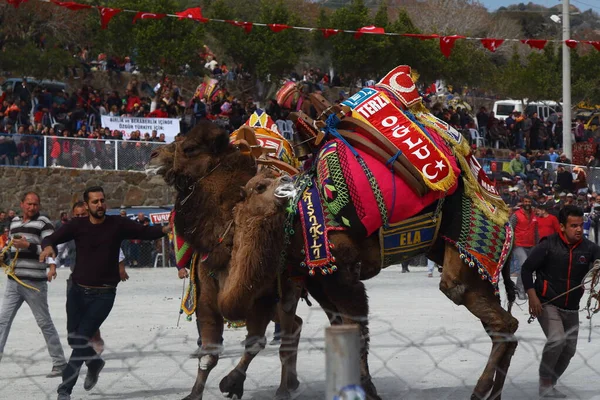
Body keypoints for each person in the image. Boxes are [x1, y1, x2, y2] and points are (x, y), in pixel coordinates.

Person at [39, 186, 169, 400]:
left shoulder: (116, 224)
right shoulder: (77, 225)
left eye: (102, 200)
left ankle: (64, 390)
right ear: (87, 205)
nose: (100, 205)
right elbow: (52, 238)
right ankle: (95, 362)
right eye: (95, 202)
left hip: (104, 294)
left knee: (80, 338)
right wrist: (47, 247)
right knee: (74, 338)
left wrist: (165, 229)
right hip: (77, 292)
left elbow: (144, 233)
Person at [521, 206, 600, 398]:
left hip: (572, 307)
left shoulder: (590, 248)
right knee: (557, 340)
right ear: (562, 227)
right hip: (547, 303)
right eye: (574, 226)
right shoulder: (548, 245)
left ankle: (550, 382)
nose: (579, 229)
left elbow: (598, 263)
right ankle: (545, 383)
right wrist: (532, 296)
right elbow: (525, 269)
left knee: (569, 350)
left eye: (581, 225)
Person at [0, 192, 67, 377]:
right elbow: (12, 251)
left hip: (34, 283)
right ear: (22, 204)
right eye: (29, 204)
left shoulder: (44, 223)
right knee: (2, 322)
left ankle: (60, 363)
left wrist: (28, 246)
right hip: (13, 281)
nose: (32, 207)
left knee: (44, 323)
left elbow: (50, 250)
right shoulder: (13, 223)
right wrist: (3, 256)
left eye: (35, 204)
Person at [69, 201, 129, 356]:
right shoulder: (71, 230)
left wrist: (120, 268)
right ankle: (82, 342)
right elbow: (56, 245)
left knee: (90, 314)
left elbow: (116, 248)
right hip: (75, 278)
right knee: (76, 313)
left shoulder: (97, 229)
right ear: (72, 216)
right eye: (77, 215)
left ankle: (94, 340)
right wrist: (52, 263)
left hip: (95, 278)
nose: (81, 217)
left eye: (83, 214)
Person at [509, 196, 538, 300]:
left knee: (530, 267)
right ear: (522, 202)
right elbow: (510, 229)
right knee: (523, 264)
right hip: (519, 244)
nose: (527, 203)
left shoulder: (534, 215)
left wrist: (537, 244)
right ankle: (520, 289)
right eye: (525, 201)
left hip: (531, 244)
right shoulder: (516, 215)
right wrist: (510, 244)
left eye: (529, 202)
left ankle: (522, 287)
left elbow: (535, 231)